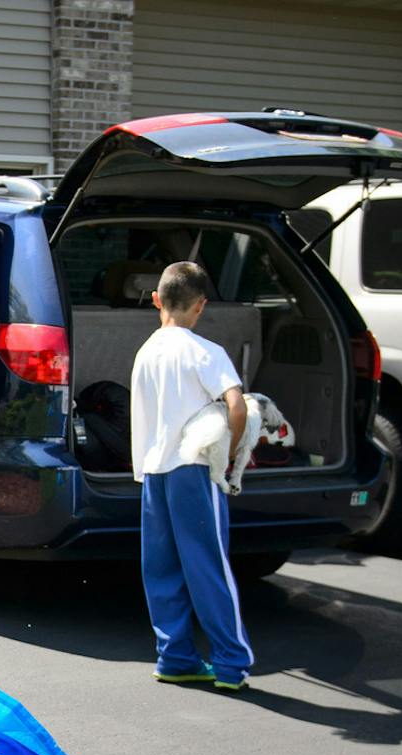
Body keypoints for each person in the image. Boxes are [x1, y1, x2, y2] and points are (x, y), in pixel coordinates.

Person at [129, 260, 253, 692]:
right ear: (200, 305)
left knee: (162, 570)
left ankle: (175, 658)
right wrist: (228, 457)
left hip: (154, 470)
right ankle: (232, 664)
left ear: (156, 300)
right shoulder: (206, 352)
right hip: (195, 470)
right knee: (208, 566)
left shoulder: (145, 353)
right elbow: (237, 407)